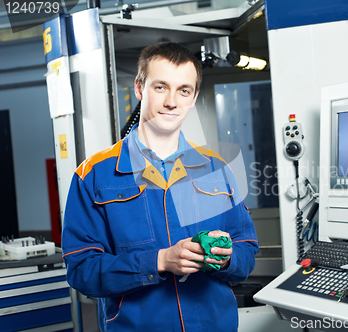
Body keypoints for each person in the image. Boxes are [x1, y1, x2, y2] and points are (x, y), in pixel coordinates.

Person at [62, 42, 259, 332]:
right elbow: (82, 271)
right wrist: (160, 261)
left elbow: (247, 248)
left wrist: (228, 258)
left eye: (184, 90)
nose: (172, 102)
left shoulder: (217, 169)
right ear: (140, 89)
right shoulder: (93, 175)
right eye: (160, 87)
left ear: (192, 98)